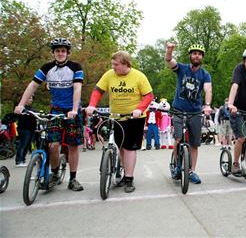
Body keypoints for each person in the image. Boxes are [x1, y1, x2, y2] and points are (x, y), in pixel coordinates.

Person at [14, 38, 84, 191]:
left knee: (73, 145)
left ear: (67, 53)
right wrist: (20, 104)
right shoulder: (46, 68)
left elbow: (77, 89)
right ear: (53, 53)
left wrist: (74, 109)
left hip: (72, 110)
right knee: (53, 145)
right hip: (56, 110)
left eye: (63, 51)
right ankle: (54, 174)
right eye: (57, 51)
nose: (60, 53)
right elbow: (32, 85)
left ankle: (73, 178)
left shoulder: (75, 67)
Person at [85, 51, 154, 193]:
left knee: (129, 148)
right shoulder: (109, 75)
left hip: (134, 117)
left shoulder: (139, 76)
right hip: (116, 116)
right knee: (121, 146)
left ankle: (129, 178)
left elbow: (148, 96)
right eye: (113, 64)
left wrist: (139, 109)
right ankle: (122, 172)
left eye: (116, 64)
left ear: (125, 64)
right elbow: (98, 90)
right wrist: (92, 105)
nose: (113, 67)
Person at [165, 42, 212, 184]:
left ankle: (191, 171)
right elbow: (169, 61)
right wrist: (169, 50)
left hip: (195, 112)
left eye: (199, 54)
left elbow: (208, 90)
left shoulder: (205, 74)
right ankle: (176, 165)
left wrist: (207, 105)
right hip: (178, 109)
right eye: (194, 53)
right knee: (178, 139)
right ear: (190, 55)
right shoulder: (182, 68)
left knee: (194, 143)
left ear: (201, 57)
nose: (196, 56)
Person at [15, 96, 37, 166]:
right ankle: (18, 161)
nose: (31, 100)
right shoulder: (22, 107)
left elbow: (35, 113)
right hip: (24, 129)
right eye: (29, 98)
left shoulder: (31, 108)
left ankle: (23, 160)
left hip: (31, 129)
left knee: (27, 145)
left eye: (31, 98)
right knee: (22, 145)